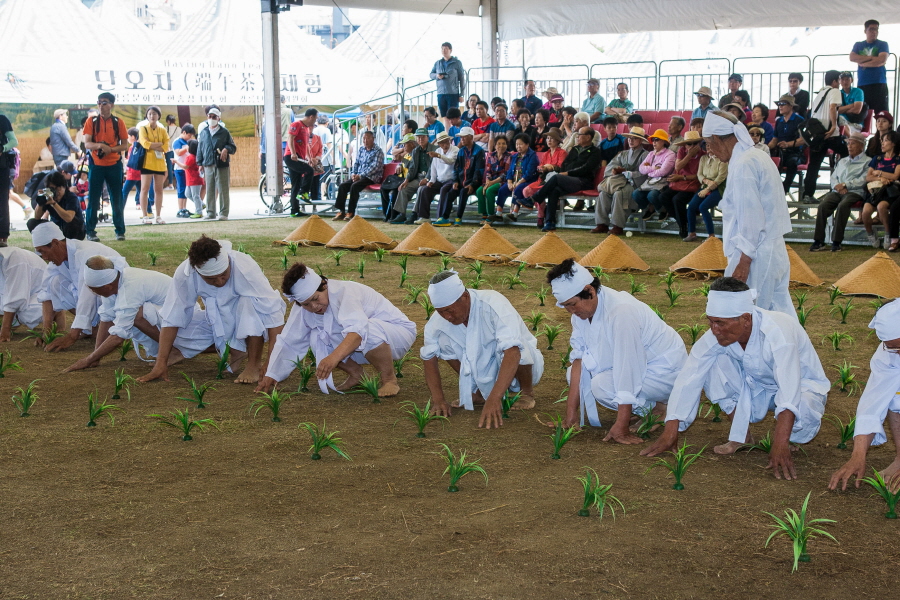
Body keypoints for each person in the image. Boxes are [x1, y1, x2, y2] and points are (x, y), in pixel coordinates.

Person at [641, 277, 829, 481]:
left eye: (720, 323)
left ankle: (790, 439)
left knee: (804, 408)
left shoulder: (779, 332)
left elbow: (789, 386)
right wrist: (670, 432)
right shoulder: (717, 335)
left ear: (746, 319)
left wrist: (780, 443)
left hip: (802, 388)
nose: (714, 330)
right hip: (757, 387)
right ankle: (741, 436)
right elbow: (688, 378)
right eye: (711, 321)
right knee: (710, 364)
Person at [547, 259, 686, 439]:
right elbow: (579, 359)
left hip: (665, 372)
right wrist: (570, 416)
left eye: (572, 304)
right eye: (565, 306)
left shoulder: (622, 311)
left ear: (589, 291)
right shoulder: (581, 313)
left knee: (602, 387)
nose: (570, 311)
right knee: (575, 374)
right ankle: (651, 406)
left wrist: (621, 425)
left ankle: (662, 407)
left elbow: (628, 366)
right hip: (639, 367)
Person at [139, 235, 286, 385]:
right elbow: (172, 317)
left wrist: (271, 366)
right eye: (211, 279)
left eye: (223, 275)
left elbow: (274, 317)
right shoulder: (186, 273)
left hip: (249, 315)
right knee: (170, 332)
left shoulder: (245, 267)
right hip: (215, 317)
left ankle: (253, 364)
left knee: (249, 302)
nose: (220, 281)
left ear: (228, 262)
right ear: (198, 272)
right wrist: (160, 363)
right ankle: (235, 352)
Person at [259, 263, 416, 397]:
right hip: (364, 345)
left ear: (324, 285)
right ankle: (357, 375)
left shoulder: (346, 292)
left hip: (397, 334)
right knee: (317, 336)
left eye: (315, 299)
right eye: (306, 304)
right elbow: (290, 340)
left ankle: (389, 380)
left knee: (367, 328)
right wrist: (272, 374)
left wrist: (332, 358)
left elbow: (357, 332)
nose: (313, 307)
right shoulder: (303, 308)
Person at [421, 270, 543, 428]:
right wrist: (438, 401)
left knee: (517, 345)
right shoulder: (437, 323)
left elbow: (513, 352)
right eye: (441, 312)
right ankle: (479, 392)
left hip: (520, 364)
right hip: (485, 371)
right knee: (443, 340)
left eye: (449, 310)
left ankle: (526, 392)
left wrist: (495, 398)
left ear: (465, 297)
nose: (447, 317)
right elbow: (428, 358)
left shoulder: (493, 303)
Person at [703, 110, 793, 315]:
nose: (710, 152)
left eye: (709, 144)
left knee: (751, 316)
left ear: (717, 138)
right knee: (779, 314)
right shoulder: (756, 156)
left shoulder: (744, 164)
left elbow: (752, 219)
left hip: (756, 254)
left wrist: (744, 263)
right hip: (770, 250)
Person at [61, 258, 215, 373]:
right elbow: (106, 318)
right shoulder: (113, 285)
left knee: (136, 315)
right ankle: (171, 350)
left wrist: (87, 360)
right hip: (165, 317)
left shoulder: (130, 287)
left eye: (95, 290)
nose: (93, 293)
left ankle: (174, 350)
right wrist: (95, 357)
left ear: (107, 286)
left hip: (184, 319)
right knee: (126, 315)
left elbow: (118, 336)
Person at [829, 300, 900, 492]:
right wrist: (857, 455)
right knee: (895, 396)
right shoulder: (888, 355)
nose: (896, 353)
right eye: (892, 348)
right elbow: (873, 402)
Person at [30, 221, 125, 349]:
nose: (44, 257)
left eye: (43, 252)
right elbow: (46, 294)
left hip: (118, 299)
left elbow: (87, 295)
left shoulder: (85, 253)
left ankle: (110, 329)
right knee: (54, 283)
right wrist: (46, 333)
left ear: (55, 243)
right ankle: (90, 328)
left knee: (88, 287)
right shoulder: (56, 261)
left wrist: (72, 336)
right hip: (98, 300)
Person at [531, 127, 602, 231]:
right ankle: (550, 222)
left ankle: (536, 197)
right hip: (570, 180)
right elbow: (565, 165)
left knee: (556, 177)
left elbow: (586, 169)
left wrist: (569, 172)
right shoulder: (574, 149)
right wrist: (569, 170)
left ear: (588, 137)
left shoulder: (595, 152)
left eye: (580, 134)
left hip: (584, 181)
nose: (577, 136)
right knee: (554, 190)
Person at [810, 133, 869, 252]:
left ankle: (836, 242)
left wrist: (845, 184)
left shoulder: (867, 161)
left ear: (861, 146)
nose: (849, 146)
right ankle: (818, 241)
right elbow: (833, 177)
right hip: (837, 190)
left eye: (853, 143)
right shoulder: (842, 161)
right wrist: (837, 186)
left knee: (843, 205)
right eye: (848, 143)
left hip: (854, 191)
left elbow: (864, 179)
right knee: (823, 205)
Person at [82, 92, 129, 242]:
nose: (102, 105)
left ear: (112, 105)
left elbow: (125, 145)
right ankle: (90, 231)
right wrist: (101, 146)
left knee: (117, 199)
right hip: (96, 165)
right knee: (93, 199)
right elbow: (87, 144)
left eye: (105, 102)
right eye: (99, 102)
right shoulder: (91, 121)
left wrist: (111, 149)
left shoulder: (118, 122)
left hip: (114, 165)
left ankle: (120, 231)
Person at [593, 127, 648, 235]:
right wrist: (615, 171)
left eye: (634, 138)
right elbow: (610, 168)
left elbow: (645, 173)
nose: (631, 140)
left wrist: (628, 173)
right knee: (603, 194)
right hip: (619, 182)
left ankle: (617, 226)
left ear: (641, 140)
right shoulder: (623, 153)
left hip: (634, 184)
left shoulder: (646, 155)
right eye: (629, 138)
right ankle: (602, 224)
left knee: (620, 194)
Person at [803, 70, 848, 203]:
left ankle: (807, 194)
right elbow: (833, 107)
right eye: (838, 81)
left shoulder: (820, 93)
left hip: (818, 135)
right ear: (835, 81)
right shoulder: (834, 91)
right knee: (848, 154)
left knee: (814, 165)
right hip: (830, 133)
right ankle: (840, 185)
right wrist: (834, 125)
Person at [682, 138, 728, 242]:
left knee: (703, 207)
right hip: (706, 185)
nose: (708, 147)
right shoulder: (703, 158)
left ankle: (711, 236)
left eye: (710, 145)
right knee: (692, 206)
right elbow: (699, 174)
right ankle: (692, 233)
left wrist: (707, 189)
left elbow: (720, 178)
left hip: (719, 188)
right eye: (706, 145)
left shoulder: (722, 159)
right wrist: (706, 182)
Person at [660, 130, 704, 238]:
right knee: (663, 197)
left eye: (695, 143)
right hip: (680, 182)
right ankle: (684, 222)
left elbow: (699, 175)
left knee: (677, 199)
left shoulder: (703, 155)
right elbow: (678, 167)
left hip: (693, 184)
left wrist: (681, 177)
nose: (692, 146)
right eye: (689, 143)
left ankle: (683, 227)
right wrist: (689, 155)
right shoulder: (682, 150)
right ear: (685, 144)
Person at [436, 127, 483, 227]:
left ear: (471, 137)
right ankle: (444, 218)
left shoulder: (479, 151)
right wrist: (455, 181)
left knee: (463, 192)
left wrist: (472, 184)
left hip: (473, 182)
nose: (461, 139)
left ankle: (458, 218)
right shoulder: (461, 151)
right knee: (450, 194)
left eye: (464, 137)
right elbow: (456, 169)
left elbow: (479, 171)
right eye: (461, 137)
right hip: (461, 182)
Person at [332, 130, 384, 221]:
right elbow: (356, 163)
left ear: (373, 139)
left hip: (372, 177)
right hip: (359, 176)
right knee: (342, 186)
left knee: (354, 186)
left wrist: (360, 176)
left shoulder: (378, 151)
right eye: (364, 138)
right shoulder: (361, 149)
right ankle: (341, 211)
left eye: (368, 138)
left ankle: (351, 212)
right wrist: (354, 174)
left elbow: (375, 167)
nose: (365, 140)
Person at [197, 107, 236, 221]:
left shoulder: (224, 132)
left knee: (223, 189)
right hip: (208, 164)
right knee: (209, 189)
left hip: (221, 164)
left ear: (219, 118)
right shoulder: (204, 132)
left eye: (214, 117)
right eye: (210, 116)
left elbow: (233, 146)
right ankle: (210, 212)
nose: (211, 118)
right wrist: (200, 163)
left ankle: (224, 213)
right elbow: (200, 148)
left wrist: (226, 149)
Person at [0, 246, 46, 341]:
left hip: (42, 293)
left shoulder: (15, 258)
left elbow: (15, 297)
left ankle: (57, 315)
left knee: (26, 313)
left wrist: (5, 330)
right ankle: (13, 320)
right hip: (23, 293)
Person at [863, 131, 900, 250]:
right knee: (866, 212)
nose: (882, 144)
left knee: (881, 207)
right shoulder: (877, 158)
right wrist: (882, 178)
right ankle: (870, 234)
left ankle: (888, 235)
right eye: (882, 141)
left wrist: (879, 172)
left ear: (893, 143)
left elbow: (895, 176)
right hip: (875, 191)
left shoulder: (897, 159)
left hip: (889, 192)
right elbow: (868, 177)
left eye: (885, 141)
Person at [412, 131, 457, 224]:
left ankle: (441, 217)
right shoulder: (437, 151)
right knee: (425, 189)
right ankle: (424, 217)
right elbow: (433, 167)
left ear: (449, 141)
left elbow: (451, 161)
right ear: (439, 144)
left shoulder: (455, 150)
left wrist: (439, 156)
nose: (445, 144)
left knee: (444, 189)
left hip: (451, 180)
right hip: (439, 179)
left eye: (446, 141)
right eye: (442, 142)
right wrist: (431, 180)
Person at [392, 128, 435, 225]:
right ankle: (401, 214)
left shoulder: (434, 149)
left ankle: (414, 214)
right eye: (418, 137)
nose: (420, 139)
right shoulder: (415, 151)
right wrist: (406, 180)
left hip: (431, 178)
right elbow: (412, 168)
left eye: (423, 137)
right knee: (404, 188)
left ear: (427, 137)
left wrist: (427, 179)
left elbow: (433, 167)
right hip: (418, 177)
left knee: (421, 189)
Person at [632, 129, 676, 220]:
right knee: (635, 194)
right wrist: (653, 168)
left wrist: (649, 171)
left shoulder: (670, 154)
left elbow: (664, 172)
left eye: (657, 139)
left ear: (663, 141)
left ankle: (661, 209)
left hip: (663, 183)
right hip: (651, 182)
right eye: (653, 140)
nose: (654, 142)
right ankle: (650, 208)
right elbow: (641, 169)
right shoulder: (651, 153)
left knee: (652, 195)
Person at [523, 128, 568, 216]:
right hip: (542, 179)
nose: (549, 140)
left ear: (557, 140)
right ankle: (543, 211)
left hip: (554, 181)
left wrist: (549, 167)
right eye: (547, 138)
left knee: (536, 193)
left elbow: (560, 168)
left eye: (552, 138)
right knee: (526, 191)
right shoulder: (545, 153)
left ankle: (541, 216)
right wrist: (544, 168)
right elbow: (540, 167)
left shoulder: (562, 153)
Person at [28, 170, 85, 240]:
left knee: (71, 223)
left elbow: (69, 218)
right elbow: (37, 217)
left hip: (75, 230)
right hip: (57, 228)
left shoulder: (71, 197)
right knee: (32, 223)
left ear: (64, 187)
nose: (56, 192)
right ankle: (45, 244)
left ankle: (68, 244)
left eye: (58, 189)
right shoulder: (49, 197)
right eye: (52, 189)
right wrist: (41, 201)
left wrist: (54, 203)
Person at [494, 133, 537, 223]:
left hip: (527, 181)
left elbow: (529, 173)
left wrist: (518, 183)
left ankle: (514, 213)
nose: (518, 146)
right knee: (502, 189)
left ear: (527, 144)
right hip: (514, 180)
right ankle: (498, 213)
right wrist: (509, 182)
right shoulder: (515, 156)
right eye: (517, 144)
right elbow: (509, 171)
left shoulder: (532, 156)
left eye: (520, 144)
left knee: (518, 189)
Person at [850, 19, 891, 114]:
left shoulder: (883, 44)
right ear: (865, 31)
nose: (874, 32)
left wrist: (863, 63)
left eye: (876, 29)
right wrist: (873, 59)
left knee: (881, 113)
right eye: (871, 29)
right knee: (863, 112)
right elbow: (852, 57)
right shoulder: (858, 44)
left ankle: (882, 129)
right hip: (863, 83)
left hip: (879, 82)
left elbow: (881, 60)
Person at [137, 106, 169, 225]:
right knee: (144, 189)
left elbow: (166, 147)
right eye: (150, 114)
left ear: (159, 116)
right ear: (147, 115)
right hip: (147, 163)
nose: (152, 116)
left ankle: (159, 215)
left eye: (154, 114)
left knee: (159, 190)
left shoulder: (163, 130)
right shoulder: (143, 128)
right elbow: (145, 144)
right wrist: (158, 144)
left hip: (160, 163)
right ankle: (145, 215)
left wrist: (153, 145)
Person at [283, 108, 317, 217]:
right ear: (311, 117)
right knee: (309, 171)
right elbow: (290, 138)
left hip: (300, 158)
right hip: (291, 157)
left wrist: (310, 157)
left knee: (295, 184)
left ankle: (295, 210)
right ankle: (303, 193)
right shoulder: (296, 124)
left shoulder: (307, 129)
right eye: (315, 118)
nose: (315, 121)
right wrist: (293, 153)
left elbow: (306, 145)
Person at [768, 94, 805, 194]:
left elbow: (803, 140)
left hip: (795, 152)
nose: (780, 106)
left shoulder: (799, 120)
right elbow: (775, 139)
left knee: (792, 162)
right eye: (779, 104)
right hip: (780, 152)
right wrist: (765, 148)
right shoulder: (779, 121)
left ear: (791, 106)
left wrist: (787, 144)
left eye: (783, 104)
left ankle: (785, 188)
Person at [475, 136, 512, 222]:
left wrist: (491, 183)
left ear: (507, 145)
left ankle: (491, 215)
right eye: (498, 143)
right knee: (479, 191)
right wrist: (488, 182)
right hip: (491, 181)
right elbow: (488, 171)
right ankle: (484, 214)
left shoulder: (509, 156)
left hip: (502, 182)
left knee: (489, 191)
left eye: (504, 144)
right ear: (495, 145)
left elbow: (505, 174)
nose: (501, 146)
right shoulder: (491, 155)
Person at [381, 133, 415, 222]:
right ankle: (387, 214)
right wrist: (399, 165)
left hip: (407, 179)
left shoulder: (415, 154)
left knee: (397, 190)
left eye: (405, 144)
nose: (403, 146)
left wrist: (401, 161)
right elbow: (401, 162)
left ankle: (395, 215)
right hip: (399, 178)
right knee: (383, 188)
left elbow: (412, 169)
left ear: (412, 144)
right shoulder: (407, 154)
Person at [430, 42, 465, 127]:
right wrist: (437, 76)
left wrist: (461, 94)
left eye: (446, 49)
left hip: (453, 93)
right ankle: (448, 135)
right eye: (442, 49)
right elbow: (431, 74)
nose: (444, 51)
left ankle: (454, 134)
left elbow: (462, 78)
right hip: (441, 93)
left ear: (450, 50)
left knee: (453, 116)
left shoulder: (457, 62)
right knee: (445, 116)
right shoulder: (438, 63)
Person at [0, 110, 16, 248]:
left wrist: (2, 148)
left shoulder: (2, 119)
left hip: (1, 168)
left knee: (2, 201)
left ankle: (3, 236)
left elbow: (13, 141)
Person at [172, 124, 194, 218]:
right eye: (189, 135)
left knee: (186, 189)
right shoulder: (177, 141)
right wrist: (186, 148)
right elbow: (178, 153)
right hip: (179, 169)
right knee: (181, 189)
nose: (190, 137)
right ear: (184, 132)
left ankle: (184, 208)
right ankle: (180, 209)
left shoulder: (187, 141)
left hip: (186, 168)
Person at [177, 140, 204, 219]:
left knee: (195, 196)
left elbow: (185, 166)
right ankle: (201, 204)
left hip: (194, 180)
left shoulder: (190, 157)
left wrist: (176, 162)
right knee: (188, 194)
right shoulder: (195, 157)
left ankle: (199, 211)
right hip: (191, 180)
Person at [312, 115, 334, 200]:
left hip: (314, 157)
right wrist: (333, 157)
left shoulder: (314, 130)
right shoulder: (326, 130)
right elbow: (329, 144)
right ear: (327, 123)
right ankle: (330, 196)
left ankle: (316, 196)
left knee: (316, 177)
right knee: (329, 176)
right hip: (325, 157)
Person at [164, 114, 181, 189]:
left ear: (168, 121)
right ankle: (178, 184)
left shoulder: (165, 129)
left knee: (169, 167)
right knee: (177, 166)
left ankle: (170, 184)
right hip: (177, 150)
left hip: (169, 150)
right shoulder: (179, 129)